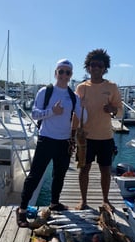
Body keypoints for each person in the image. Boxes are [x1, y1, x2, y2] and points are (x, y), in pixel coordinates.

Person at [16, 59, 85, 227]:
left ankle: (54, 202)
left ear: (71, 76)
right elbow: (34, 114)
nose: (63, 75)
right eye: (60, 71)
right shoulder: (45, 92)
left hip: (64, 141)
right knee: (35, 176)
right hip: (46, 139)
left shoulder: (72, 96)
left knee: (59, 175)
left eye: (67, 72)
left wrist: (85, 106)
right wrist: (52, 112)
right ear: (55, 73)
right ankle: (22, 210)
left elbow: (85, 116)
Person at [75, 48, 123, 211]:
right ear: (87, 67)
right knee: (83, 170)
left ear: (105, 68)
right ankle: (83, 200)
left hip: (105, 138)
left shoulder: (112, 87)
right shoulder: (81, 88)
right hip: (85, 138)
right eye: (92, 65)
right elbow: (75, 112)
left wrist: (113, 109)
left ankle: (105, 200)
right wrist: (72, 133)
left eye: (99, 65)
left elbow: (121, 111)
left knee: (106, 171)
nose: (95, 68)